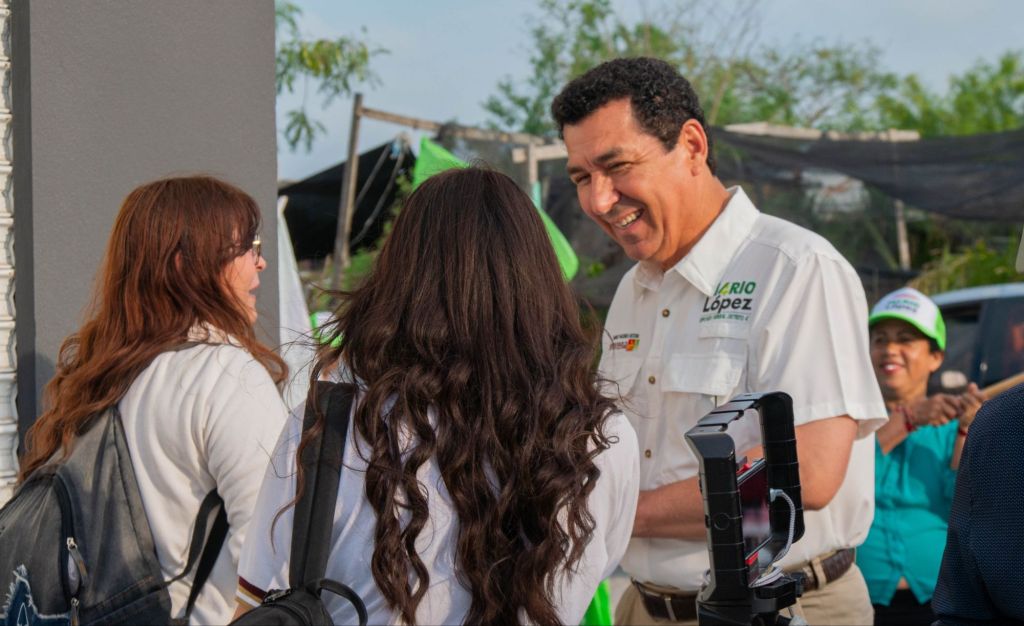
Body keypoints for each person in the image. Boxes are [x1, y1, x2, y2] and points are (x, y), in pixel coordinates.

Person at [551, 57, 888, 625]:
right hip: (646, 606)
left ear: (691, 145)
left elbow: (810, 469)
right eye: (581, 178)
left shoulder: (795, 268)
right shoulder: (634, 290)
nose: (599, 201)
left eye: (616, 166)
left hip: (782, 607)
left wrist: (623, 511)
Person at [234, 168, 640, 625]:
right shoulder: (604, 437)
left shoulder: (330, 426)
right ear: (541, 285)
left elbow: (257, 603)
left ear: (398, 280)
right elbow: (598, 566)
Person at [18, 176, 290, 625]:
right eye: (245, 247)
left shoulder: (100, 377)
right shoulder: (225, 376)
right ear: (187, 264)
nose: (259, 262)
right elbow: (274, 550)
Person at [856, 287, 984, 625]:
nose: (890, 350)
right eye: (880, 339)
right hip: (860, 604)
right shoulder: (850, 426)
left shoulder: (951, 428)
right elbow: (844, 480)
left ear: (935, 357)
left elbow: (965, 509)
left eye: (906, 340)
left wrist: (967, 430)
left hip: (939, 601)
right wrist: (907, 419)